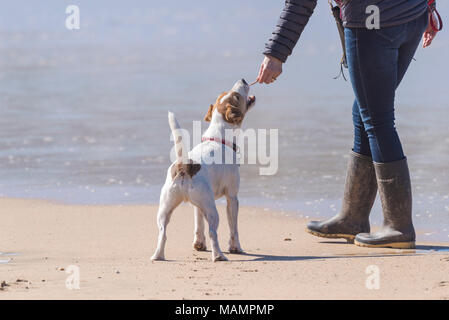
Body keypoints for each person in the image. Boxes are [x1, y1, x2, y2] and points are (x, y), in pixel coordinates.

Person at [257, 0, 441, 249]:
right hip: (411, 15)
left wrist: (276, 53)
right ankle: (353, 217)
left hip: (372, 22)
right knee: (365, 112)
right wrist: (429, 7)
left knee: (378, 119)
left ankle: (398, 227)